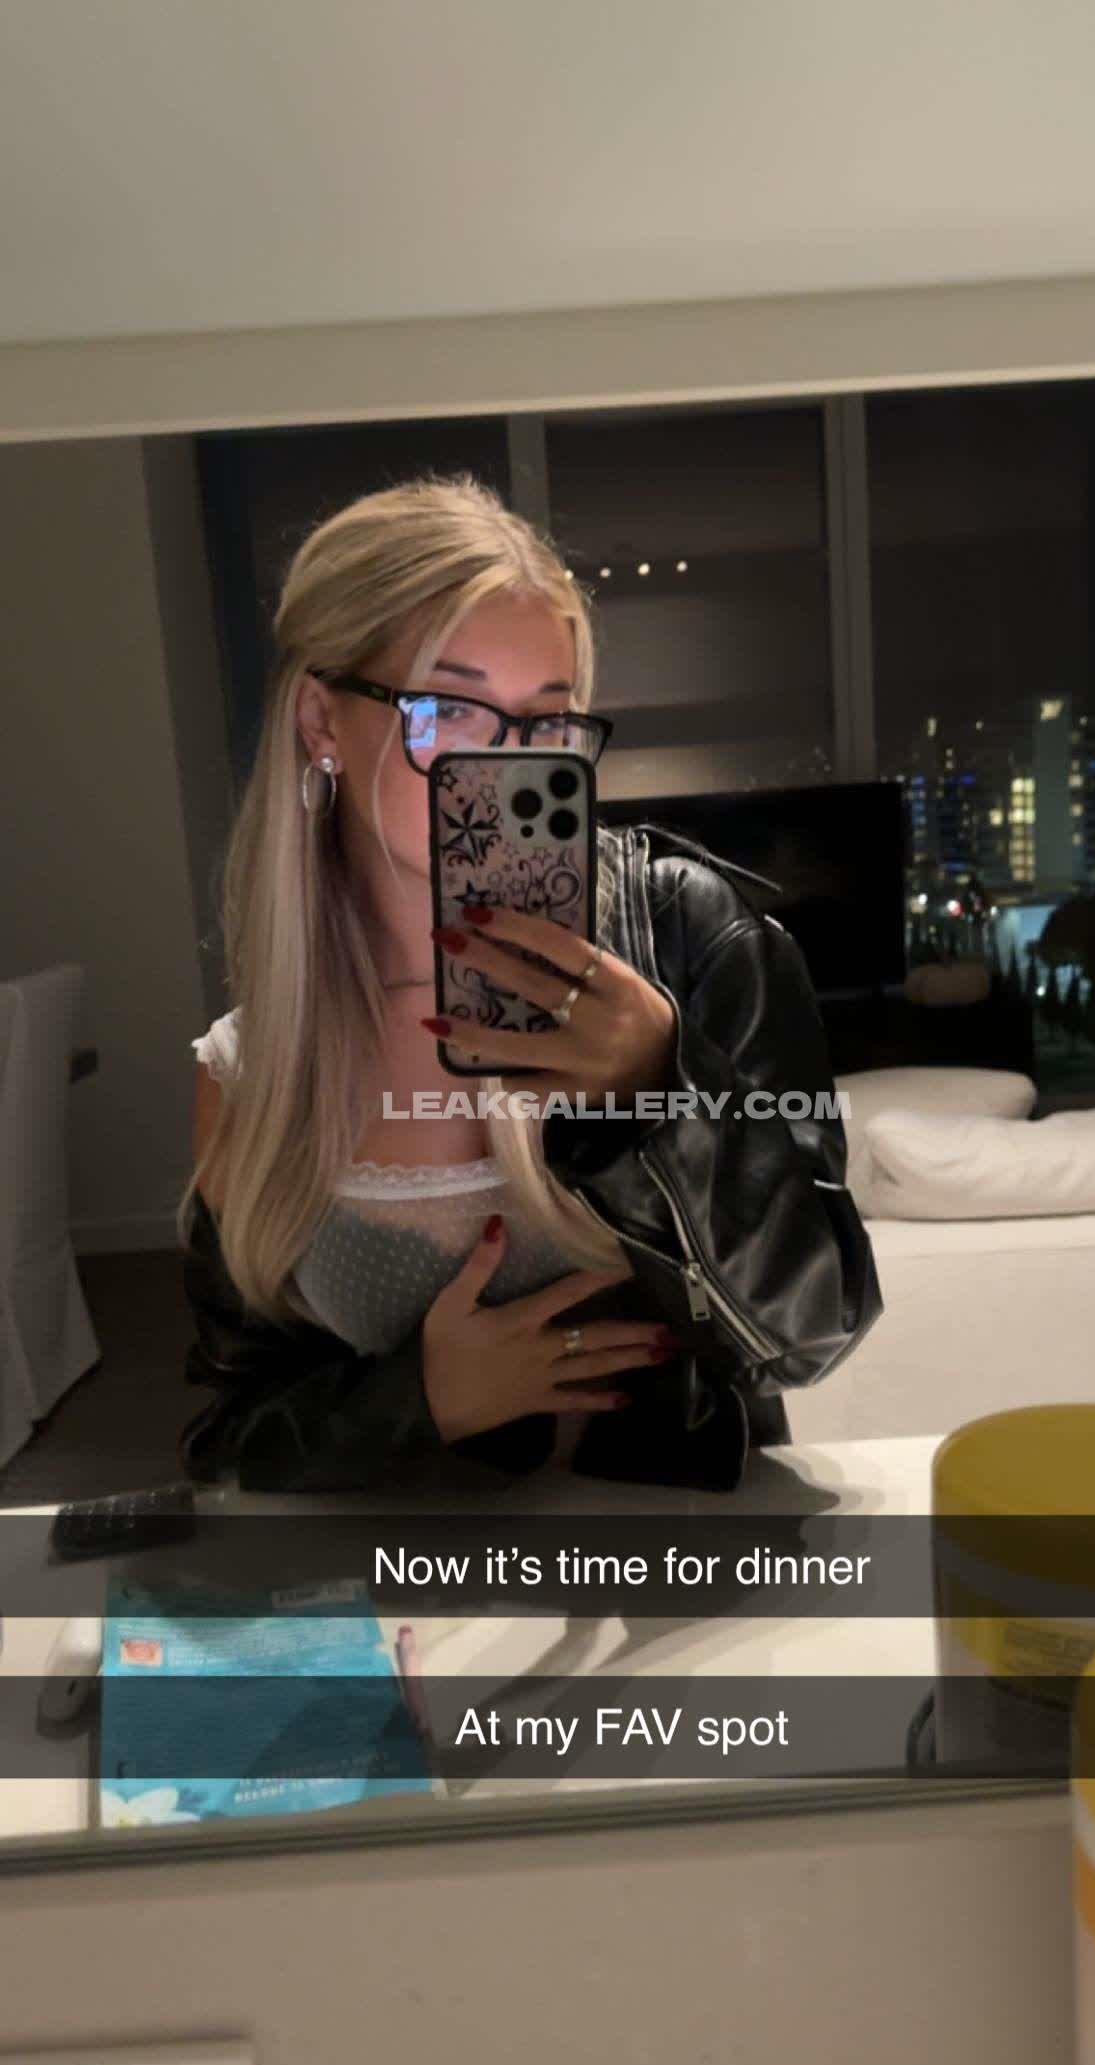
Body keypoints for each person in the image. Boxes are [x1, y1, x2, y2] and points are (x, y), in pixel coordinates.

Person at [179, 473, 882, 1495]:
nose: (502, 771)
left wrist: (656, 1093)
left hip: (672, 1558)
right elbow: (230, 1434)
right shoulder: (251, 1070)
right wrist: (423, 1398)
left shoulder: (687, 947)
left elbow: (813, 1334)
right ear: (322, 720)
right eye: (449, 713)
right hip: (415, 1573)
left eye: (545, 725)